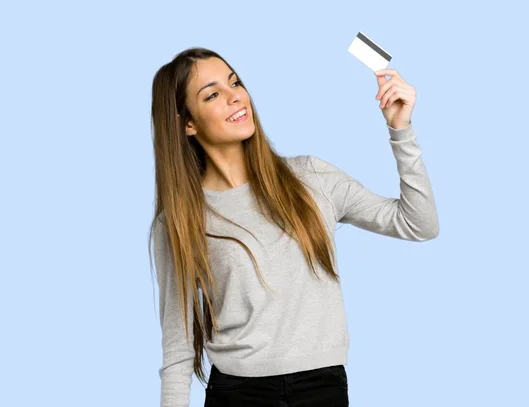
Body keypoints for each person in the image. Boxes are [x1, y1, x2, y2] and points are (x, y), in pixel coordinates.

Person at [149, 47, 439, 407]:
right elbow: (178, 349)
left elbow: (418, 224)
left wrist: (401, 130)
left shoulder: (310, 177)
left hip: (323, 389)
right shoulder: (179, 221)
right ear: (187, 123)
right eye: (212, 94)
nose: (235, 96)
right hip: (237, 394)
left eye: (234, 82)